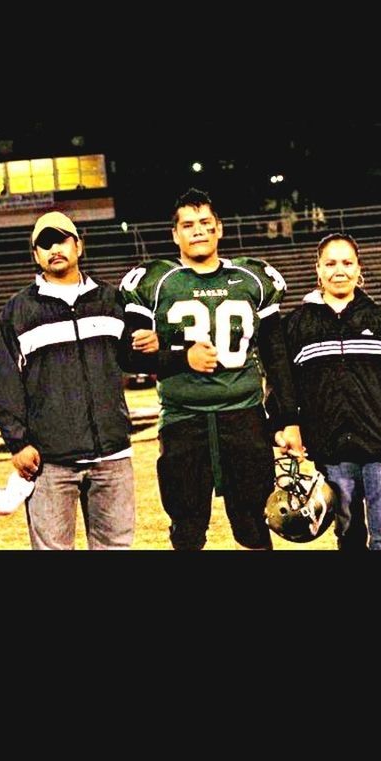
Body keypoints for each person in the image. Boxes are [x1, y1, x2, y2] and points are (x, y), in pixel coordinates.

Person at [119, 187, 300, 551]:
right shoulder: (154, 283)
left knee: (253, 524)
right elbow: (128, 355)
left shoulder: (252, 279)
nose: (197, 230)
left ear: (219, 228)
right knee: (187, 528)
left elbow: (276, 356)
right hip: (184, 419)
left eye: (204, 223)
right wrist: (181, 357)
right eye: (188, 225)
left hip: (244, 417)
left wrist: (289, 419)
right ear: (175, 234)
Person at [0, 211, 157, 551]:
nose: (54, 249)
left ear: (79, 245)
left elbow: (132, 358)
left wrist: (152, 345)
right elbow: (4, 381)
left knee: (115, 548)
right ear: (36, 255)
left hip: (112, 454)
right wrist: (17, 443)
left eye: (61, 239)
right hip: (50, 460)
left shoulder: (111, 300)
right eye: (44, 244)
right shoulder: (19, 310)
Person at [283, 232, 381, 551]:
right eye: (331, 263)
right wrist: (284, 426)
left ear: (359, 268)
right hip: (332, 449)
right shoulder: (297, 325)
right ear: (318, 269)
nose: (340, 270)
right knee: (348, 537)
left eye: (348, 262)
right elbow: (283, 385)